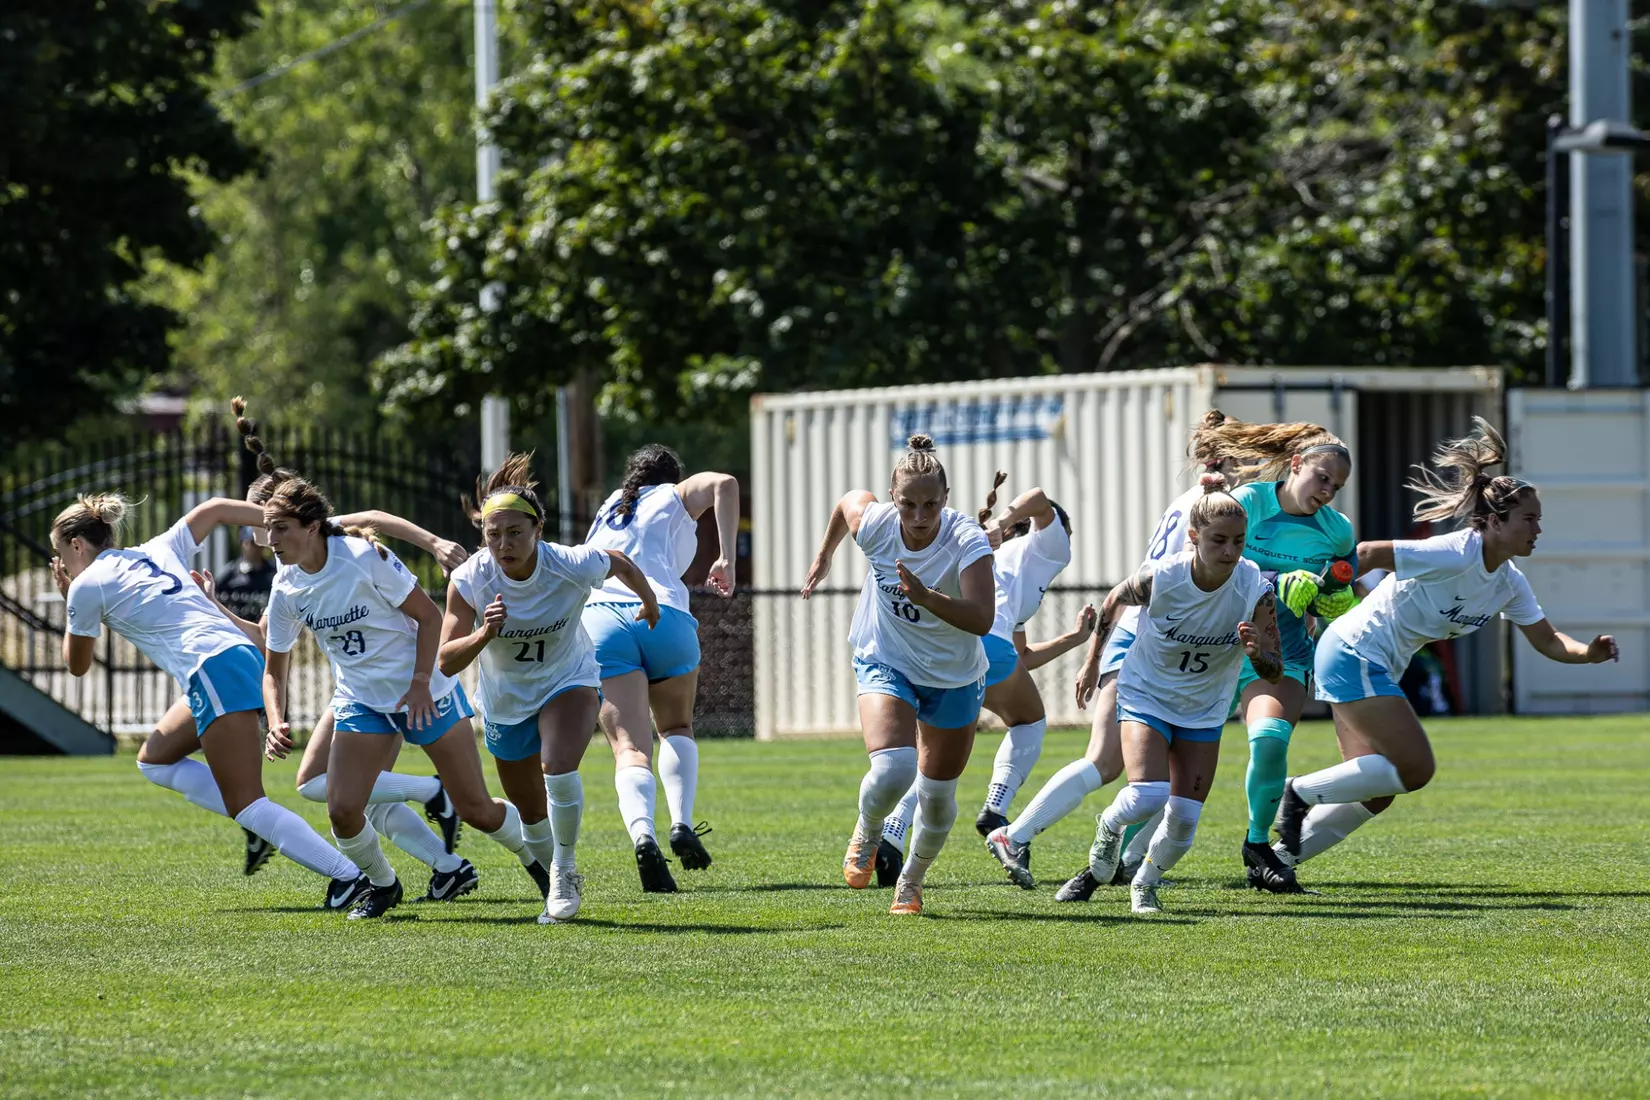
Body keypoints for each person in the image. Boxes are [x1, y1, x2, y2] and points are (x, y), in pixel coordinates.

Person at [138, 400, 475, 897]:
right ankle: (448, 865)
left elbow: (377, 516)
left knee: (335, 789)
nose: (258, 536)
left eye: (264, 524)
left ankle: (434, 807)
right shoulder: (290, 562)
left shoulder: (316, 537)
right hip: (358, 683)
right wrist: (216, 609)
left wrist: (435, 543)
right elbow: (270, 637)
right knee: (336, 790)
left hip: (389, 678)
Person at [1276, 419, 1620, 876]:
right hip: (1354, 650)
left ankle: (1277, 859)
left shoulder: (1509, 584)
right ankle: (1294, 792)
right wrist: (1327, 585)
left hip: (1372, 661)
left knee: (1377, 791)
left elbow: (1550, 641)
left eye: (1539, 519)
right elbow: (1369, 551)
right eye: (1529, 519)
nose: (1538, 528)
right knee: (1415, 769)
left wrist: (1589, 654)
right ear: (1495, 522)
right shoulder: (1457, 551)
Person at [50, 492, 368, 909]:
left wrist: (69, 597)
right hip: (233, 660)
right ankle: (264, 828)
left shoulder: (86, 585)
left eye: (59, 552)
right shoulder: (155, 549)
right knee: (154, 760)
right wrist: (289, 521)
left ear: (76, 545)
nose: (60, 563)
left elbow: (77, 665)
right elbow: (215, 509)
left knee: (247, 803)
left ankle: (351, 878)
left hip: (215, 669)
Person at [977, 412, 1239, 898]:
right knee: (1107, 764)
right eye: (1239, 458)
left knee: (1161, 776)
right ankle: (1014, 835)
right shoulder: (1219, 506)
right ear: (1221, 459)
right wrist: (1092, 658)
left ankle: (1124, 863)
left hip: (1155, 639)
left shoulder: (1192, 501)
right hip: (1145, 638)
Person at [260, 474, 539, 920]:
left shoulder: (360, 558)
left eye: (279, 528)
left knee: (478, 809)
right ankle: (384, 886)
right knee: (343, 810)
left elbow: (429, 618)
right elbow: (274, 669)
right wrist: (275, 721)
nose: (269, 539)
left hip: (423, 692)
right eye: (267, 528)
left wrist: (420, 682)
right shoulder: (286, 587)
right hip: (362, 702)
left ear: (311, 526)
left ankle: (540, 865)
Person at [441, 454, 660, 923]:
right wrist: (483, 634)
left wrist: (650, 603)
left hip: (569, 679)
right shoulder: (470, 579)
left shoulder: (569, 563)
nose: (504, 543)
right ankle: (549, 863)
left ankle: (565, 870)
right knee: (531, 818)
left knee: (557, 768)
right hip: (506, 702)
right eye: (493, 534)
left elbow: (619, 561)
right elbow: (445, 659)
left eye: (515, 532)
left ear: (538, 529)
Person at [801, 434, 996, 916]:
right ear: (893, 498)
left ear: (946, 500)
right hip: (885, 657)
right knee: (893, 768)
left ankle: (911, 879)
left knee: (937, 799)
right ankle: (867, 831)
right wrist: (826, 554)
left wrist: (928, 597)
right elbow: (848, 502)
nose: (918, 516)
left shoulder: (966, 539)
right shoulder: (878, 525)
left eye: (930, 504)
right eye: (907, 503)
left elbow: (982, 619)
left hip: (953, 676)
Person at [1069, 474, 1282, 914]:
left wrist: (1257, 653)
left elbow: (1274, 671)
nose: (1229, 552)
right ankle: (1108, 827)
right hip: (1146, 693)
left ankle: (1144, 884)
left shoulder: (1254, 587)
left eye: (1239, 541)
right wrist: (1092, 662)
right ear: (1193, 537)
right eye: (1218, 540)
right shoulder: (1161, 577)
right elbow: (1113, 600)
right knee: (1148, 795)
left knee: (1185, 820)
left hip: (1203, 709)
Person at [879, 475, 1095, 884]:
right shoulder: (1049, 546)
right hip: (980, 643)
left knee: (934, 757)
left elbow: (1021, 657)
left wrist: (1074, 639)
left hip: (951, 647)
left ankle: (890, 832)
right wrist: (1005, 520)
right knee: (1028, 722)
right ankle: (996, 808)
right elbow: (1037, 498)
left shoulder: (1007, 565)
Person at [1183, 415, 1357, 893]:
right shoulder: (1250, 502)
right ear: (1296, 464)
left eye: (1336, 486)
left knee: (1271, 738)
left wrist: (1334, 598)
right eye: (1322, 478)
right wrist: (1277, 581)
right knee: (1169, 767)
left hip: (1283, 651)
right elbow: (1215, 558)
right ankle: (1123, 849)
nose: (1327, 491)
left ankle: (1258, 847)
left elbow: (1344, 584)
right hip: (1215, 644)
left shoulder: (1337, 531)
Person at [581, 445, 738, 892]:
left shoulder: (611, 506)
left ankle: (643, 835)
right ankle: (682, 823)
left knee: (629, 747)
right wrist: (725, 557)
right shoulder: (672, 494)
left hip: (602, 620)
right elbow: (724, 483)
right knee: (676, 727)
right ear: (670, 476)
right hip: (663, 615)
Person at [214, 527, 276, 622]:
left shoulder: (274, 573)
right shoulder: (228, 574)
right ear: (241, 543)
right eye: (251, 543)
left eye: (258, 543)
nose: (255, 547)